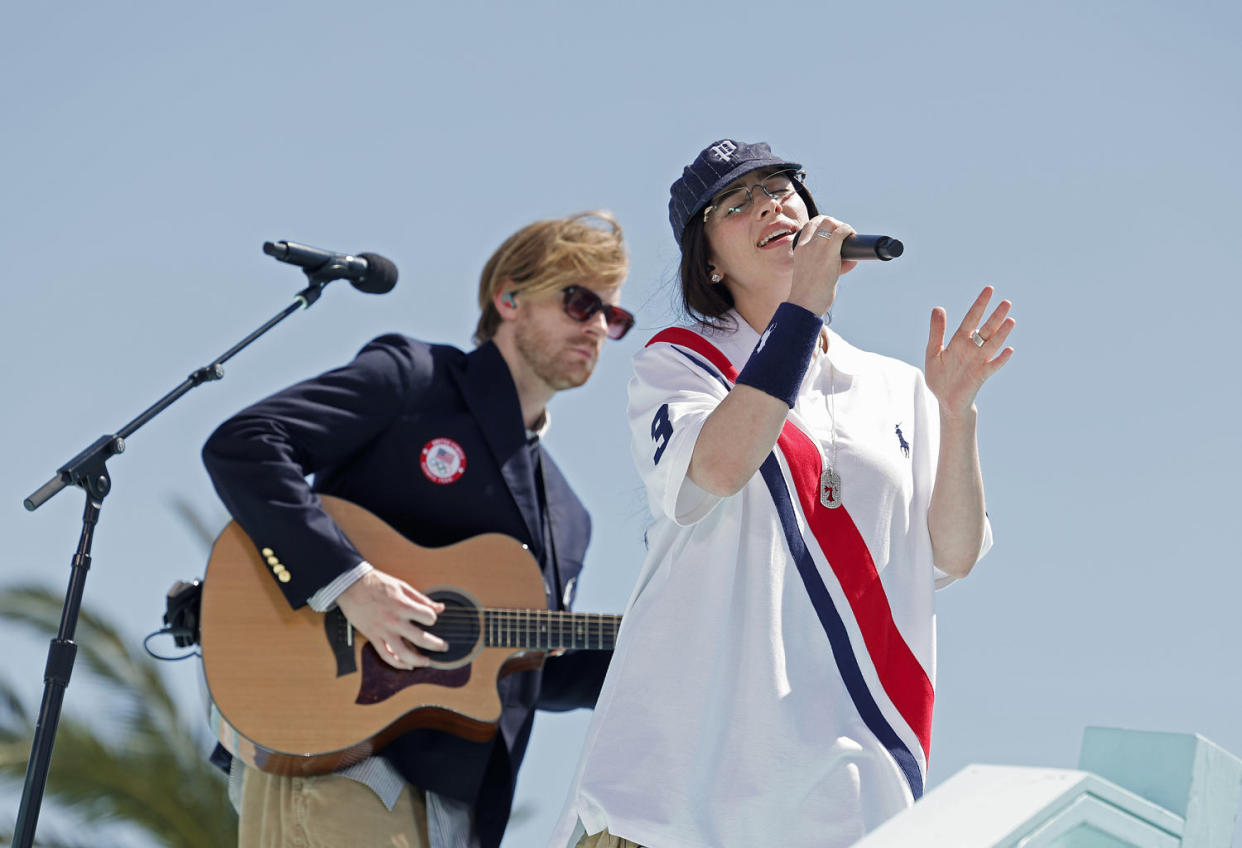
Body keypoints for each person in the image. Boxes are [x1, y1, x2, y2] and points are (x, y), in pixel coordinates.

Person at [552, 141, 1015, 848]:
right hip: (671, 801)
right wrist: (803, 307)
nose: (770, 204)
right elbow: (719, 467)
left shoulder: (897, 385)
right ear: (708, 261)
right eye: (736, 204)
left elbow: (953, 554)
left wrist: (955, 415)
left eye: (783, 188)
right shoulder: (684, 359)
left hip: (840, 806)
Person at [201, 211, 634, 848]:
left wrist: (663, 651)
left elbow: (529, 666)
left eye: (613, 317)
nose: (598, 326)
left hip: (460, 806)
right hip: (341, 762)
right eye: (580, 302)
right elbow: (247, 445)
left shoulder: (570, 516)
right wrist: (352, 583)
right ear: (508, 297)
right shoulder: (415, 379)